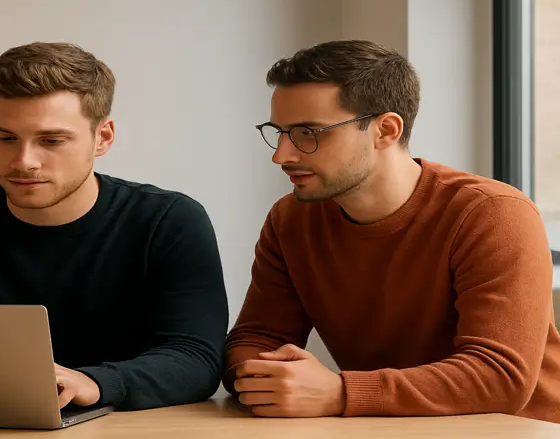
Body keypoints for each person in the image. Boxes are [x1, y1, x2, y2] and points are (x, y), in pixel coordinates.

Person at [0, 41, 229, 411]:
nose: (24, 161)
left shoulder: (168, 222)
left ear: (103, 137)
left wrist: (96, 382)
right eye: (4, 138)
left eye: (51, 140)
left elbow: (195, 358)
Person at [222, 39, 560, 423]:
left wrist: (339, 393)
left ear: (385, 130)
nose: (281, 155)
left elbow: (501, 378)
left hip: (517, 431)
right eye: (279, 132)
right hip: (384, 429)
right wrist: (266, 377)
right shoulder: (291, 220)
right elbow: (256, 338)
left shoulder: (492, 214)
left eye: (308, 133)